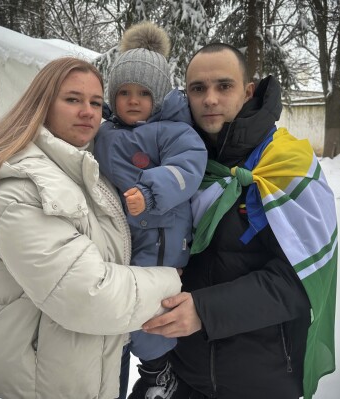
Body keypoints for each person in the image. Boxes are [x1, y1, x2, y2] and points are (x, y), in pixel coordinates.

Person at [0, 57, 182, 399]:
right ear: (42, 104)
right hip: (40, 382)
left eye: (95, 103)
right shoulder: (21, 188)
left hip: (78, 374)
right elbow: (87, 295)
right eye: (73, 100)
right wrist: (174, 283)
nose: (88, 111)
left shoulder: (84, 169)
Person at [142, 43, 338, 399]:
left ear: (248, 92)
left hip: (262, 379)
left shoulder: (286, 164)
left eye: (224, 86)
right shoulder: (177, 162)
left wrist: (205, 310)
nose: (210, 99)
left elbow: (299, 282)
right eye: (198, 89)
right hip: (183, 370)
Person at [93, 22, 207, 399]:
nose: (133, 100)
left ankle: (159, 374)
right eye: (123, 92)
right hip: (122, 237)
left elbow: (188, 167)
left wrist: (150, 191)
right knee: (119, 306)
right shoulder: (104, 130)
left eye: (144, 92)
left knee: (152, 312)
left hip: (162, 237)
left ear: (158, 97)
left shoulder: (173, 131)